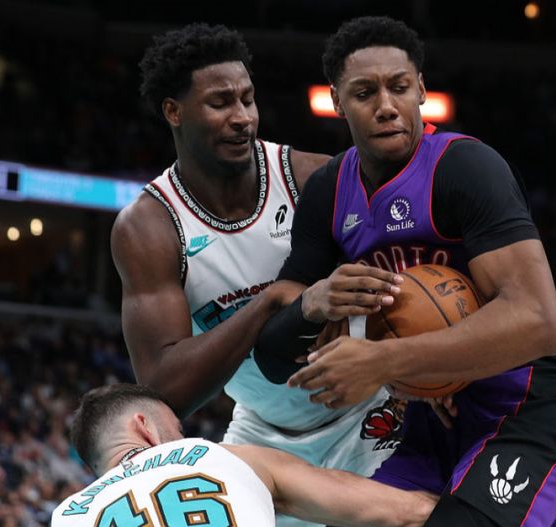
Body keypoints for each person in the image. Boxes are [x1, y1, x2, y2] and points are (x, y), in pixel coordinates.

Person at [255, 16, 556, 527]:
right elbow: (273, 358)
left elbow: (540, 324)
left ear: (421, 91)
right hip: (427, 418)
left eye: (399, 87)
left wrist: (385, 361)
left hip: (523, 406)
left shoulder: (466, 168)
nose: (386, 106)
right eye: (365, 92)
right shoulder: (328, 190)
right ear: (338, 101)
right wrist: (311, 304)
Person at [113, 22, 403, 527]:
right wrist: (271, 301)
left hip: (367, 411)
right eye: (221, 103)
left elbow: (404, 287)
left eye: (248, 99)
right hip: (263, 434)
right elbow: (165, 390)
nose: (243, 117)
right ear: (174, 111)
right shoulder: (150, 226)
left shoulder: (311, 176)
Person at [51, 384, 434, 527]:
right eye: (177, 429)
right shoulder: (217, 456)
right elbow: (402, 512)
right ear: (145, 427)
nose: (181, 438)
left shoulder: (69, 515)